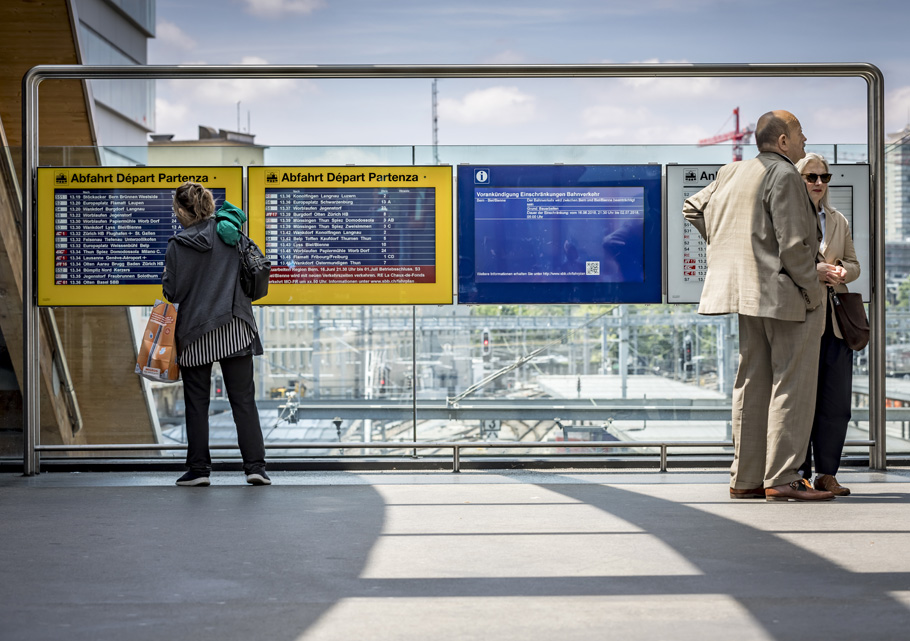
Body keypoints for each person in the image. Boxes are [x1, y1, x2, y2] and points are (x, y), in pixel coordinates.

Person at [683, 110, 835, 502]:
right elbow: (794, 247)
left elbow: (692, 208)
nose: (804, 141)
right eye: (800, 134)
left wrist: (731, 249)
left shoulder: (732, 171)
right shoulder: (784, 174)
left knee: (751, 384)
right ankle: (783, 477)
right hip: (787, 296)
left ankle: (746, 478)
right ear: (783, 141)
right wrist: (813, 290)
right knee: (792, 385)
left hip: (746, 296)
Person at [162, 182, 270, 487]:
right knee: (243, 400)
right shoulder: (232, 235)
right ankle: (256, 468)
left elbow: (172, 293)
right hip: (235, 327)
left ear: (183, 211)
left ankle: (199, 470)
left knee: (197, 403)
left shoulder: (178, 244)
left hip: (196, 333)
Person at [795, 153, 860, 496]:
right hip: (800, 321)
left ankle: (827, 474)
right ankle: (799, 473)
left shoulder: (838, 220)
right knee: (800, 402)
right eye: (811, 177)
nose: (819, 183)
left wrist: (844, 272)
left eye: (824, 177)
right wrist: (814, 271)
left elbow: (854, 262)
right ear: (798, 179)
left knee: (836, 404)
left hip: (835, 324)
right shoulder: (787, 219)